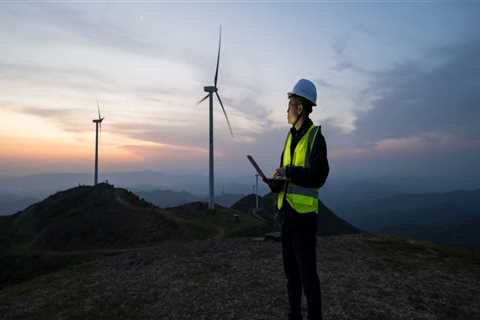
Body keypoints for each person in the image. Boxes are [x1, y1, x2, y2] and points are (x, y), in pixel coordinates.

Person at [264, 79, 329, 320]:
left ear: (300, 107)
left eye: (290, 103)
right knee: (291, 274)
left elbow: (319, 176)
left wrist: (288, 172)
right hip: (287, 218)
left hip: (304, 220)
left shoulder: (315, 137)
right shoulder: (289, 138)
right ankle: (294, 315)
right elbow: (285, 173)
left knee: (308, 276)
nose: (286, 109)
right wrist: (275, 184)